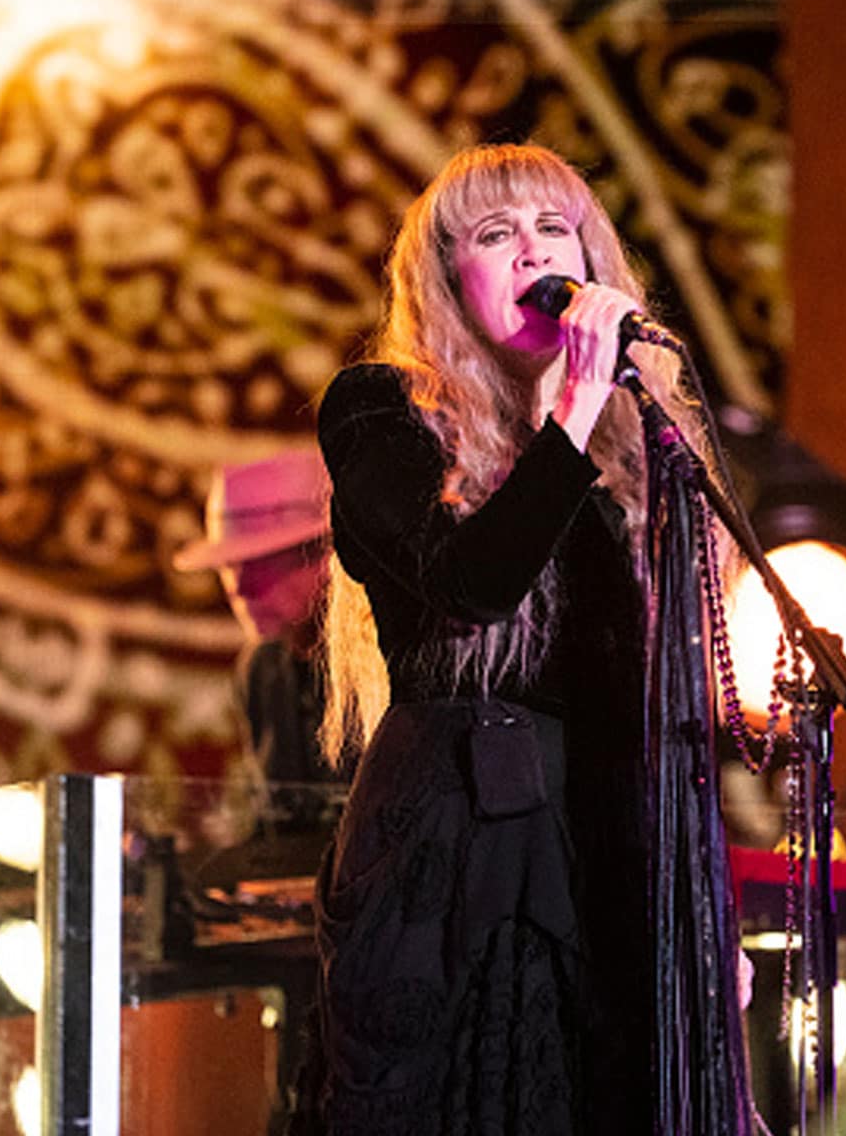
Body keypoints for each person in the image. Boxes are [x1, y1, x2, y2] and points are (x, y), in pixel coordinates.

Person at [303, 143, 745, 1135]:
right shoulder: (381, 411)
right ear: (447, 278)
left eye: (557, 230)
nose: (533, 253)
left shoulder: (641, 444)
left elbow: (664, 704)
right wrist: (571, 411)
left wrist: (706, 918)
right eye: (495, 236)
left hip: (607, 844)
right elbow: (474, 587)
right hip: (458, 841)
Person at [173, 448, 354, 790]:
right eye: (228, 567)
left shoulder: (383, 664)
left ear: (327, 553)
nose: (239, 588)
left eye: (260, 564)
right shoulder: (261, 671)